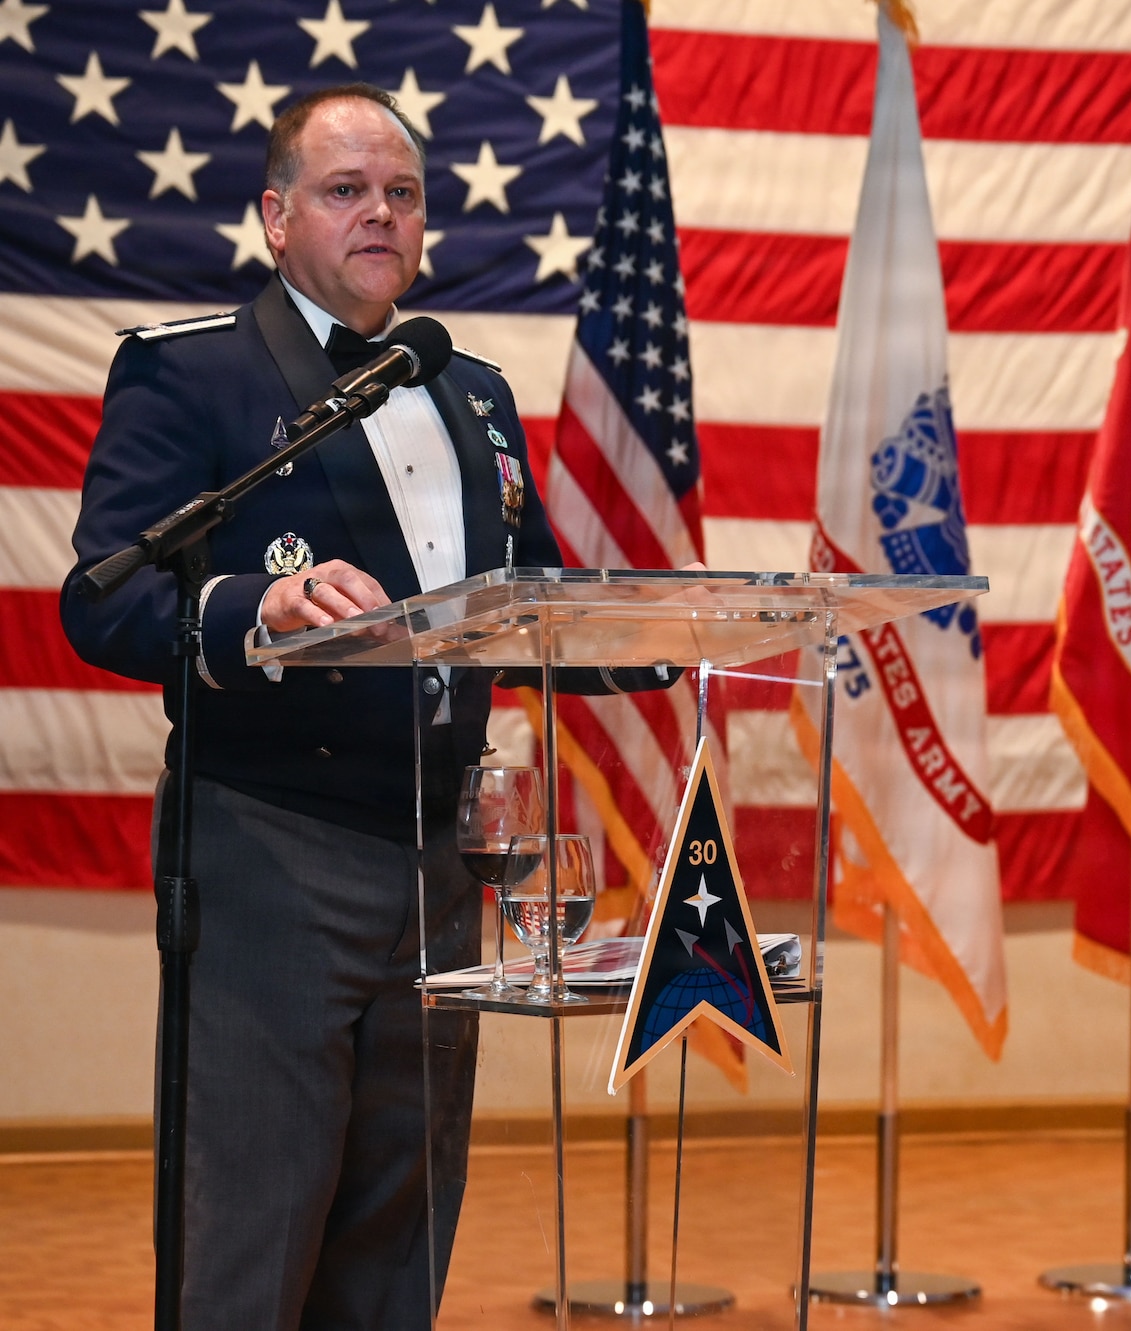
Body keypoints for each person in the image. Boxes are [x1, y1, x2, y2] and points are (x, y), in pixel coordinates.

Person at [61, 84, 672, 1329]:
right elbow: (102, 599)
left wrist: (686, 635)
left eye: (401, 193)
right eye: (346, 191)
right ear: (276, 217)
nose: (380, 214)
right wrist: (251, 606)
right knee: (254, 1240)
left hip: (445, 862)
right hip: (272, 858)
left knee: (400, 1239)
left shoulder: (471, 390)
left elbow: (531, 597)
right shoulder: (193, 374)